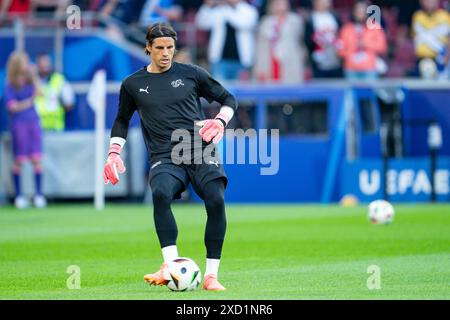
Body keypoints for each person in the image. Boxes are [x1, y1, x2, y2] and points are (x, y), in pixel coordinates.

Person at [103, 22, 238, 291]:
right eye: (160, 48)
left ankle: (211, 275)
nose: (166, 53)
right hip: (164, 154)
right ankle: (170, 264)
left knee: (215, 199)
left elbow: (229, 99)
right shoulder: (132, 84)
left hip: (199, 148)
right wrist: (113, 152)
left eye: (170, 48)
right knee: (161, 194)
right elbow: (121, 120)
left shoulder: (192, 74)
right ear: (148, 48)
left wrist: (221, 121)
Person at [4, 51, 46, 209]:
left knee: (36, 159)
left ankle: (39, 195)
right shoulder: (10, 85)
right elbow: (12, 107)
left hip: (33, 123)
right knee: (19, 160)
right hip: (19, 125)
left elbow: (41, 93)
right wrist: (29, 102)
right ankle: (19, 196)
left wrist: (35, 77)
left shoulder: (30, 81)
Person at [196, 0, 259, 81]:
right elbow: (201, 23)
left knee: (241, 92)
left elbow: (244, 23)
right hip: (219, 61)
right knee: (219, 92)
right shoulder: (218, 10)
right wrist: (208, 5)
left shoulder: (249, 10)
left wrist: (226, 9)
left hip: (242, 62)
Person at [253, 0, 304, 83]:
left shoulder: (294, 21)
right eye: (278, 3)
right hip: (269, 61)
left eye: (284, 3)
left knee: (289, 89)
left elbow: (299, 40)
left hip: (289, 61)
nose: (281, 6)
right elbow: (260, 46)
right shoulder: (265, 22)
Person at [337, 0, 387, 80]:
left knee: (369, 92)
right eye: (358, 11)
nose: (360, 13)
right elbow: (340, 48)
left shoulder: (374, 27)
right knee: (351, 92)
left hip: (369, 68)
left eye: (362, 11)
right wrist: (349, 55)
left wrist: (366, 44)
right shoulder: (346, 29)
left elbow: (382, 46)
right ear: (353, 11)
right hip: (351, 68)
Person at [34, 53, 75, 132]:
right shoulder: (31, 81)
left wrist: (59, 101)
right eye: (42, 64)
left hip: (55, 129)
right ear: (38, 65)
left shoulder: (59, 80)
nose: (45, 66)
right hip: (36, 128)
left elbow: (69, 103)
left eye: (47, 63)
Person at [412, 0, 450, 79]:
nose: (429, 2)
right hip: (422, 60)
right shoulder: (417, 16)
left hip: (441, 60)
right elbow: (417, 38)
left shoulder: (445, 16)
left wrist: (447, 56)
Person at [304, 0, 343, 78]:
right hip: (319, 60)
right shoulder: (310, 19)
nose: (326, 3)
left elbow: (341, 34)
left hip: (335, 58)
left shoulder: (334, 16)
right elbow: (307, 40)